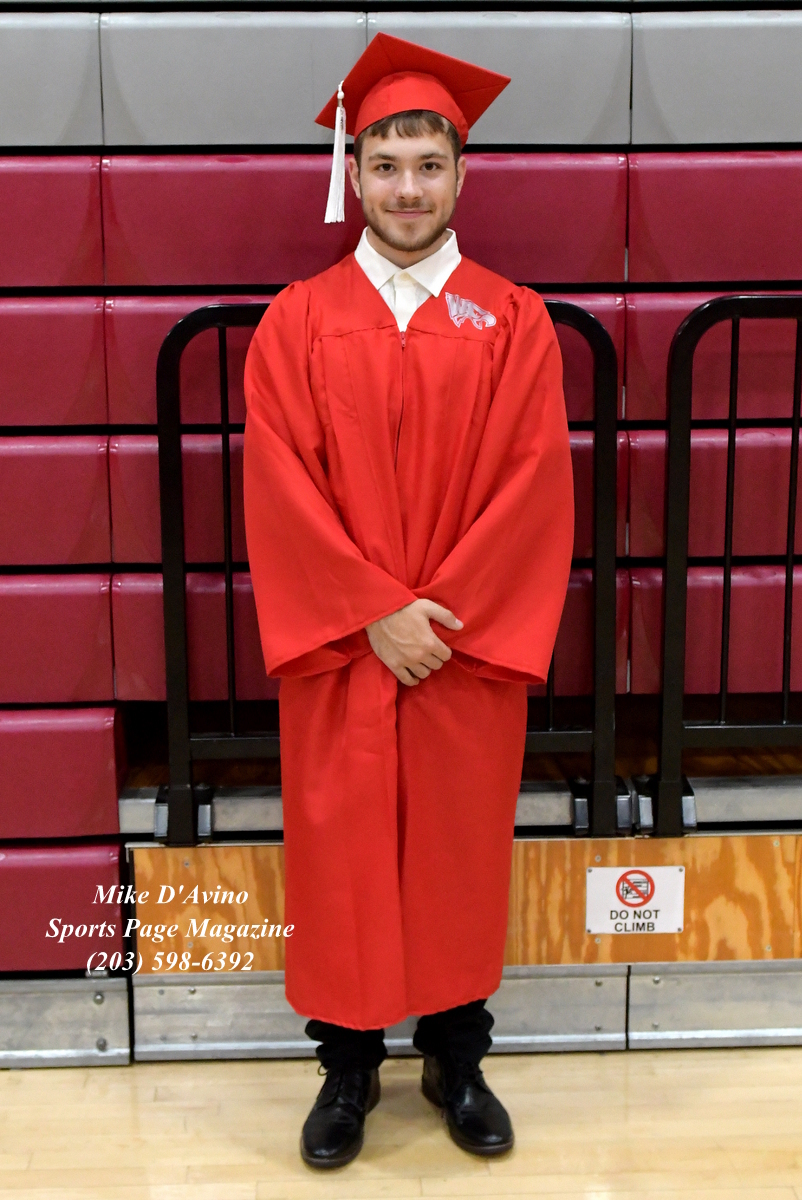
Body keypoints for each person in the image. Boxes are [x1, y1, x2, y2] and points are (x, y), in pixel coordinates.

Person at [243, 32, 574, 1169]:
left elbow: (533, 485)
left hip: (459, 648)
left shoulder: (512, 319)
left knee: (455, 851)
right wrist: (369, 612)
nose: (407, 189)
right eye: (385, 165)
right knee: (340, 855)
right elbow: (279, 484)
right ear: (354, 173)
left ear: (462, 174)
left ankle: (455, 1059)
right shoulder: (298, 319)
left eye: (429, 165)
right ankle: (346, 1069)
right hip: (345, 648)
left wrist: (436, 619)